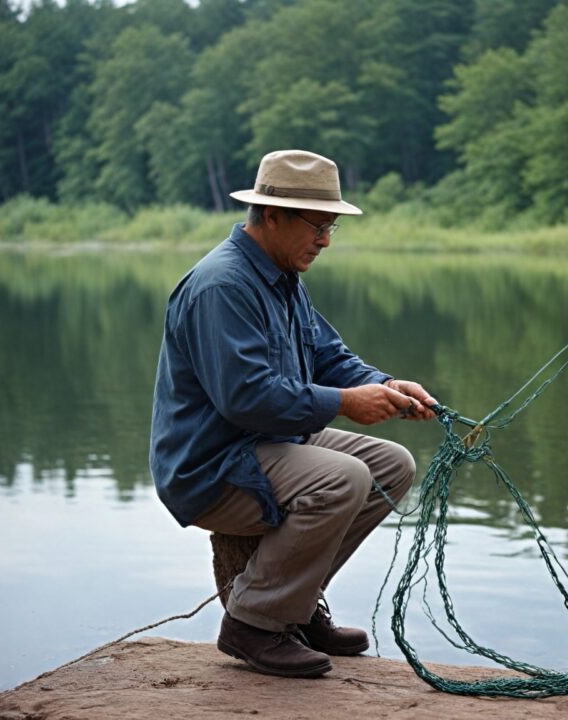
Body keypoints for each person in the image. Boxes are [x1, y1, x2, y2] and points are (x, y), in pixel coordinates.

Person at [149, 149, 437, 679]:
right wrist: (348, 404)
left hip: (266, 445)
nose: (326, 239)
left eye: (332, 227)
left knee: (392, 467)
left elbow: (329, 356)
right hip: (211, 466)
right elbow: (248, 398)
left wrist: (384, 385)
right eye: (319, 225)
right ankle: (254, 624)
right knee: (345, 478)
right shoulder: (223, 286)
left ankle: (294, 610)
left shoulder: (282, 277)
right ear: (273, 216)